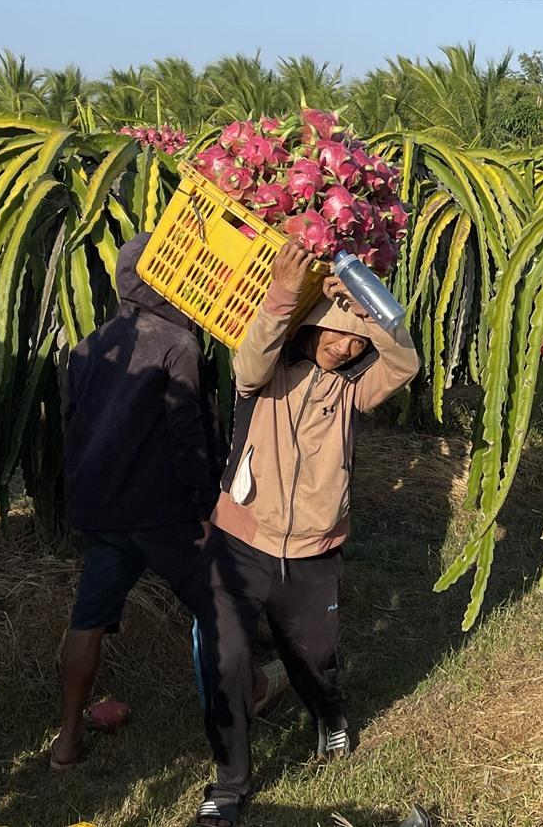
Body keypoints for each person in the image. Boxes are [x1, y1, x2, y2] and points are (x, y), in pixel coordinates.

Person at [191, 238, 419, 827]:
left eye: (355, 342)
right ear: (309, 328)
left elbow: (405, 363)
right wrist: (284, 293)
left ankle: (330, 715)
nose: (345, 349)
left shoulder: (352, 390)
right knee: (228, 659)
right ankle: (230, 783)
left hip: (314, 551)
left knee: (313, 655)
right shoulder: (264, 379)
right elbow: (247, 361)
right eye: (335, 334)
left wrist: (371, 309)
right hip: (240, 542)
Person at [50, 232, 222, 770]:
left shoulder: (88, 344)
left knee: (89, 618)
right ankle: (252, 693)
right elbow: (186, 432)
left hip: (103, 511)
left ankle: (67, 739)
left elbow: (73, 424)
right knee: (217, 603)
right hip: (163, 512)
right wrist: (208, 503)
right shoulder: (179, 344)